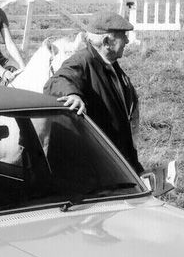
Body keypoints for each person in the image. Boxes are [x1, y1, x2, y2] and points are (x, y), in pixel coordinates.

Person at [43, 11, 143, 173]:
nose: (127, 40)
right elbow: (56, 81)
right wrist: (72, 94)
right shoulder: (82, 61)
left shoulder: (110, 64)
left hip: (115, 159)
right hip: (95, 168)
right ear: (106, 42)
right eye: (123, 36)